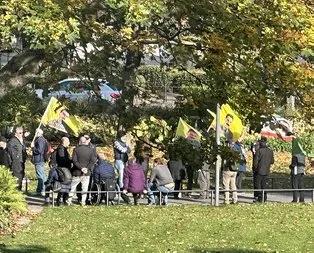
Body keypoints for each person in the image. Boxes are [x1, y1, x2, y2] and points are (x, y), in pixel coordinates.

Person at [68, 136, 97, 206]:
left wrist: (81, 168)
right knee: (85, 188)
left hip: (77, 171)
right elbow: (93, 161)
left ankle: (69, 200)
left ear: (80, 142)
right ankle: (83, 202)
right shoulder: (91, 150)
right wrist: (86, 168)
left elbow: (74, 161)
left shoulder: (76, 150)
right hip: (86, 173)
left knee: (72, 187)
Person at [51, 136, 72, 205]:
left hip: (64, 169)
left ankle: (62, 199)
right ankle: (61, 199)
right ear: (64, 142)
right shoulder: (61, 149)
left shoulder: (63, 149)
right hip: (63, 169)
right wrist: (70, 161)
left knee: (65, 184)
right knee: (64, 184)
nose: (69, 143)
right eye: (68, 141)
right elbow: (62, 159)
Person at [254, 137, 274, 203]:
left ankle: (260, 198)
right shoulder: (270, 151)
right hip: (266, 170)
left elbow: (255, 162)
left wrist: (255, 168)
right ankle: (264, 198)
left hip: (259, 170)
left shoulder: (259, 151)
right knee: (264, 185)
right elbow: (272, 161)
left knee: (258, 185)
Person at [7, 126, 27, 191]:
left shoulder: (22, 140)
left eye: (22, 133)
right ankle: (16, 191)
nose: (22, 134)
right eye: (20, 133)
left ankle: (19, 189)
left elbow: (23, 149)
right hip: (16, 162)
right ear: (16, 133)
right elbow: (9, 149)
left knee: (21, 175)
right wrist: (16, 157)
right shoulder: (13, 140)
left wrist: (25, 156)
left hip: (22, 161)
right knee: (17, 176)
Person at [31, 128, 49, 196]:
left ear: (38, 133)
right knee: (42, 175)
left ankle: (41, 190)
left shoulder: (40, 140)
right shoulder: (42, 139)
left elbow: (39, 150)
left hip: (39, 159)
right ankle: (42, 190)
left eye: (36, 132)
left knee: (40, 175)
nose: (35, 134)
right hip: (41, 159)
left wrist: (33, 147)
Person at [290, 136, 306, 203]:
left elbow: (294, 165)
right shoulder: (303, 154)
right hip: (302, 171)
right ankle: (302, 199)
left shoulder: (295, 155)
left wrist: (290, 166)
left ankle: (295, 199)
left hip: (296, 172)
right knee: (301, 186)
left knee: (295, 186)